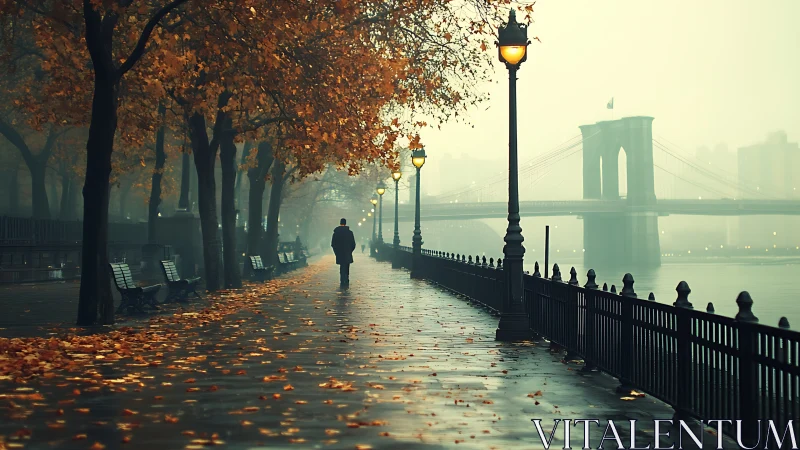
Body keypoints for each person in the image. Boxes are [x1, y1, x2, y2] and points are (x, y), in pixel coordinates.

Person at [331, 218, 356, 286]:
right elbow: (353, 244)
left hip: (339, 253)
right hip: (347, 252)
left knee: (342, 266)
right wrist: (350, 251)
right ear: (345, 223)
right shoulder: (350, 233)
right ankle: (346, 278)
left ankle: (342, 279)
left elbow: (333, 244)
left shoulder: (336, 233)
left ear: (340, 223)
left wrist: (336, 252)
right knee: (347, 266)